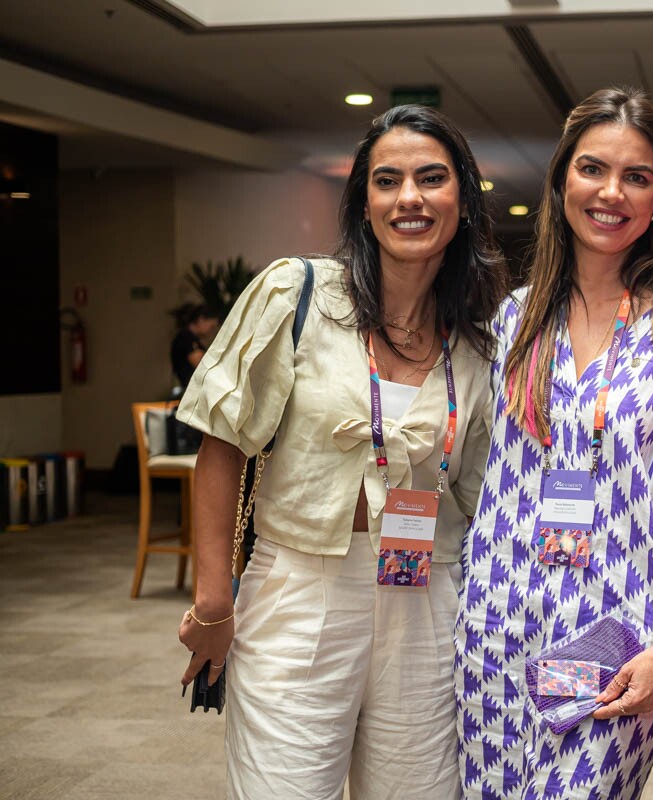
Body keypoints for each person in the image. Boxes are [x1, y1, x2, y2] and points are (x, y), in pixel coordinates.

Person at [176, 104, 506, 799]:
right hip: (300, 590)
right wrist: (212, 604)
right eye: (387, 181)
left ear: (464, 202)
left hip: (428, 601)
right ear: (363, 205)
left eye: (432, 178)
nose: (409, 197)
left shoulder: (477, 346)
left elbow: (481, 499)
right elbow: (222, 442)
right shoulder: (297, 293)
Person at [454, 87, 653, 799]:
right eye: (593, 169)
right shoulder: (515, 318)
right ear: (561, 180)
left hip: (612, 641)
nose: (612, 192)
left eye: (637, 177)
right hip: (497, 624)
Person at [170, 303, 219, 391]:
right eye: (211, 327)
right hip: (191, 391)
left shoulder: (189, 338)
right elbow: (202, 366)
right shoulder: (186, 338)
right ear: (201, 320)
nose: (211, 331)